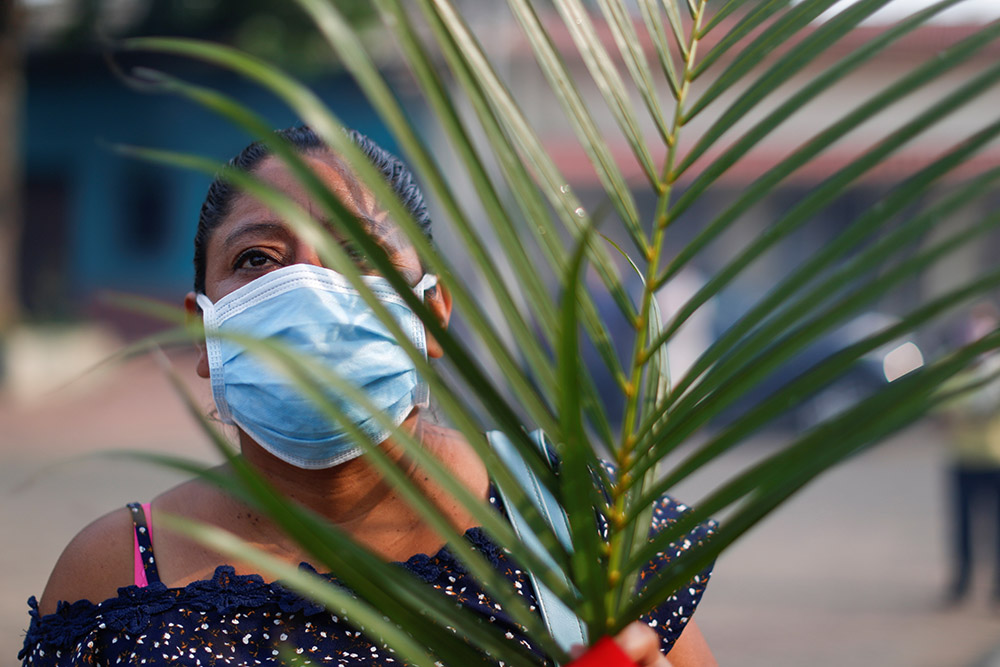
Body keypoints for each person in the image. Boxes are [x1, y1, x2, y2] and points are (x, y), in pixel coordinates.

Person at [19, 126, 717, 666]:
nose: (312, 288)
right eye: (257, 259)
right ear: (205, 332)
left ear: (431, 317)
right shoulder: (119, 572)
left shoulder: (570, 518)